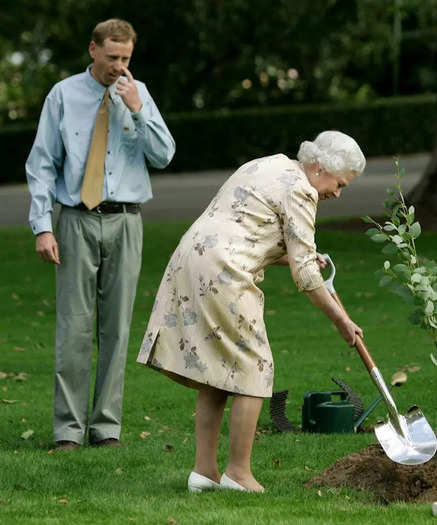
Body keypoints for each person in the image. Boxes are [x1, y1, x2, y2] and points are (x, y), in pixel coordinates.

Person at [137, 130, 365, 492]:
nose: (337, 193)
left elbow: (248, 228)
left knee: (218, 370)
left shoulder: (268, 164)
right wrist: (342, 320)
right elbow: (304, 274)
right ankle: (238, 474)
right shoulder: (302, 191)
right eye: (339, 184)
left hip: (190, 257)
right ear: (319, 167)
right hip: (223, 272)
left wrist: (297, 255)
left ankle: (204, 473)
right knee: (256, 367)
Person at [25, 19, 176, 451]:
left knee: (117, 329)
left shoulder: (137, 93)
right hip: (75, 219)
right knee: (73, 328)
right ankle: (67, 431)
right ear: (93, 50)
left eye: (126, 58)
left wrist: (138, 109)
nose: (119, 66)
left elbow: (164, 155)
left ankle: (106, 427)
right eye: (112, 57)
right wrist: (42, 226)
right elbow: (41, 166)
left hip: (127, 221)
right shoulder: (63, 95)